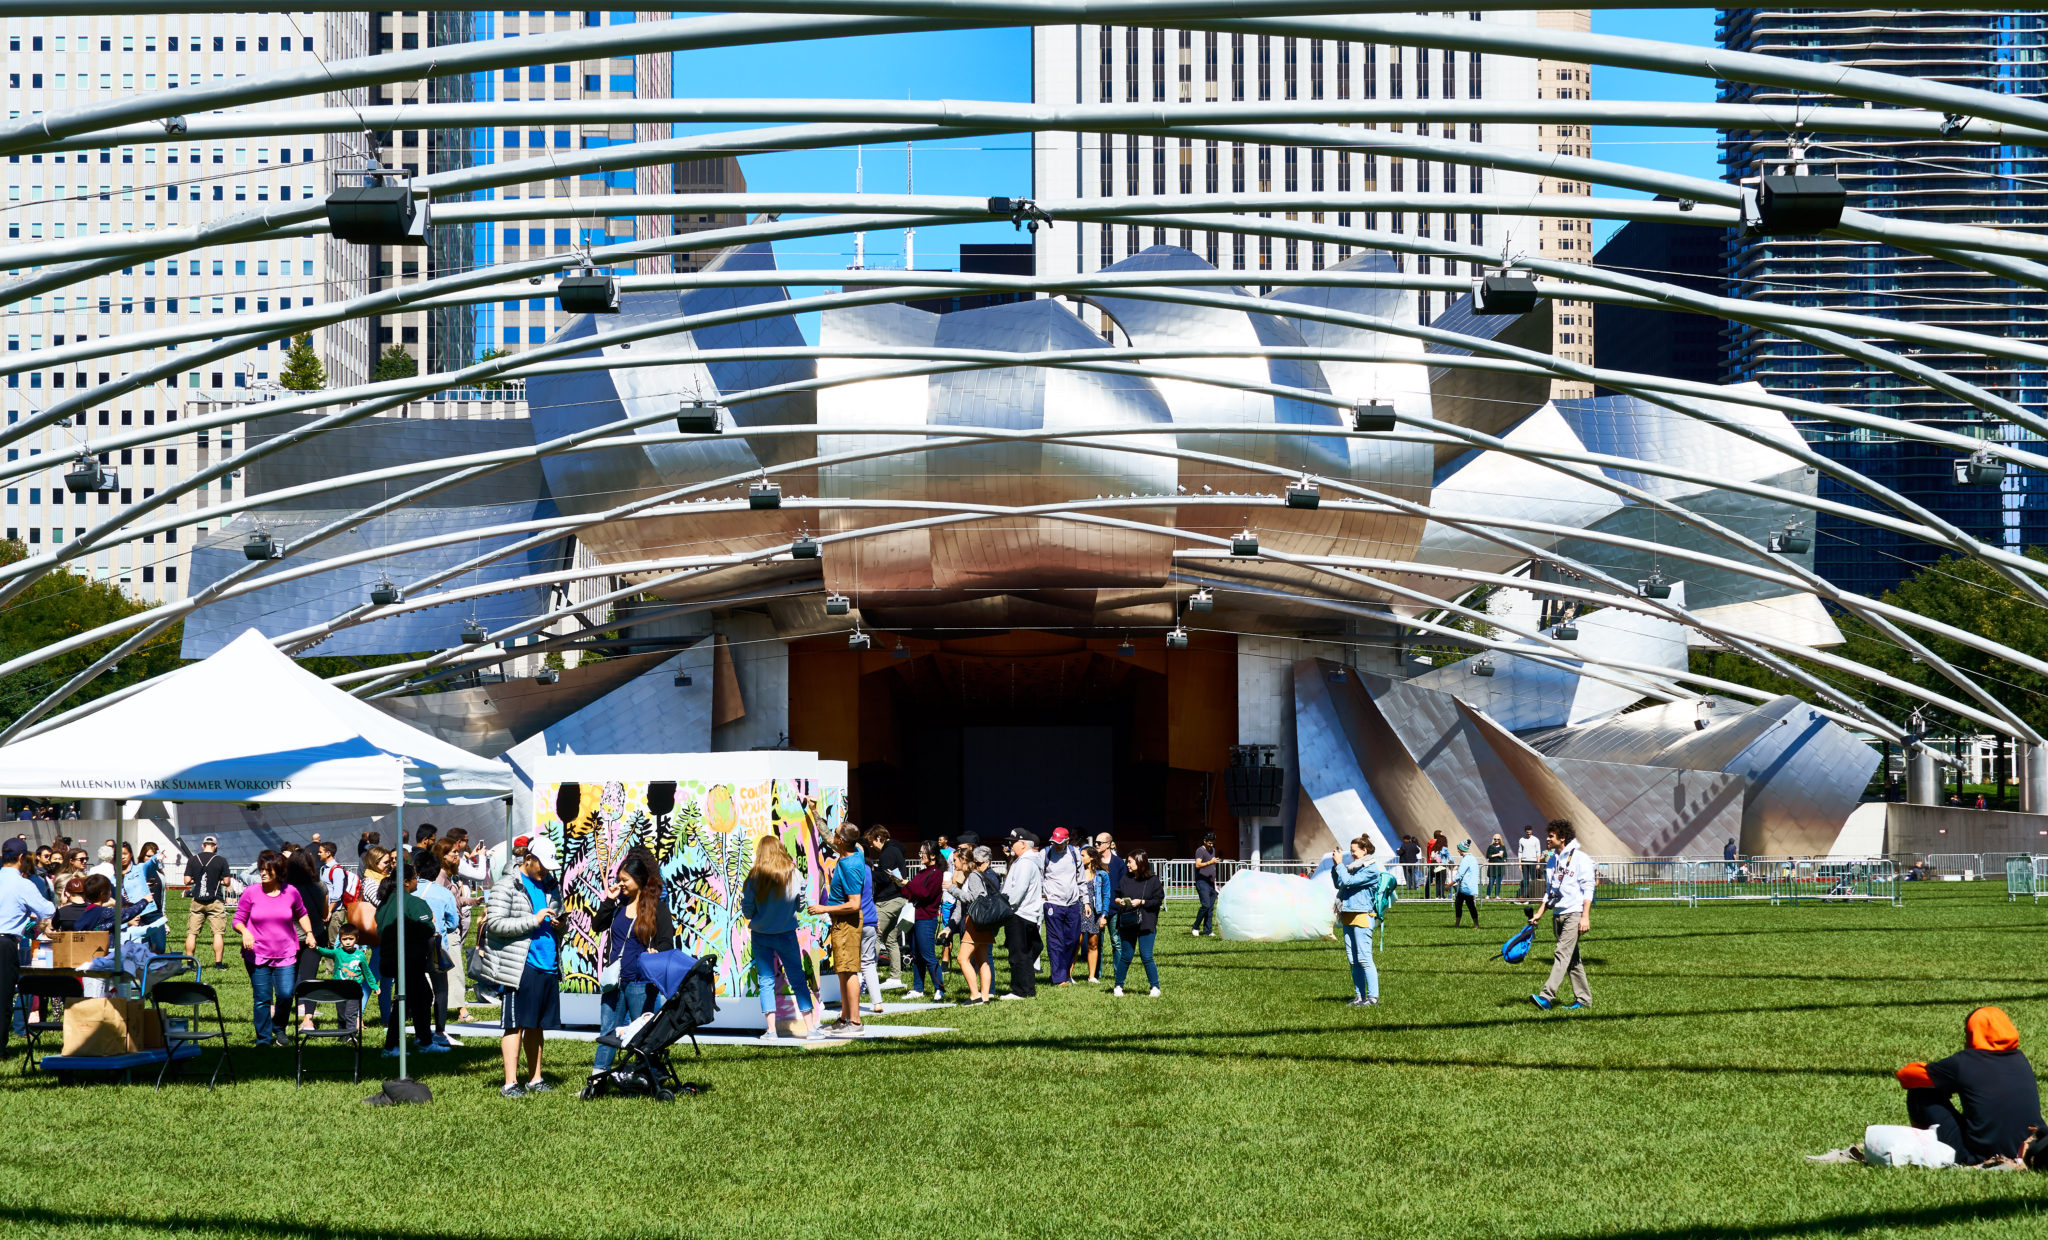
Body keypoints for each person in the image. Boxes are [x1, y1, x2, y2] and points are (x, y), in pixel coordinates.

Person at [1895, 1007, 2045, 1165]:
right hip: (2030, 1148)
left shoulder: (1964, 1063)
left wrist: (1941, 1082)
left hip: (1981, 1156)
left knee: (1920, 1092)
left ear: (1973, 1033)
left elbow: (1907, 1076)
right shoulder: (2020, 1059)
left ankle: (1928, 1149)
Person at [480, 835, 564, 1096]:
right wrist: (533, 920)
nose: (546, 871)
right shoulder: (507, 885)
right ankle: (510, 1082)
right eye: (543, 865)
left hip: (547, 964)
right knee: (514, 1023)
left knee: (536, 1025)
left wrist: (561, 924)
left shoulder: (550, 885)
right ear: (528, 859)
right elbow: (494, 923)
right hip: (520, 965)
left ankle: (535, 1079)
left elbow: (557, 916)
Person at [593, 850, 676, 1062]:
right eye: (619, 879)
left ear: (639, 880)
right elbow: (597, 925)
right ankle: (599, 1075)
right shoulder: (618, 905)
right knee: (607, 1034)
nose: (620, 884)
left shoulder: (657, 908)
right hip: (615, 981)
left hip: (641, 983)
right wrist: (609, 900)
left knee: (644, 1035)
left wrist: (657, 952)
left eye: (625, 880)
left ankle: (644, 1074)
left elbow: (667, 941)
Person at [742, 836, 821, 1042]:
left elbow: (747, 910)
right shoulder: (794, 873)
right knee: (797, 978)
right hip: (786, 933)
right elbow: (801, 905)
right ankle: (811, 1029)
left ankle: (771, 1031)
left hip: (761, 934)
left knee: (766, 981)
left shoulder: (754, 877)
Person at [233, 851, 313, 1047]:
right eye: (261, 869)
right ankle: (264, 1038)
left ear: (279, 871)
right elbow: (238, 920)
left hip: (286, 953)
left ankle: (279, 1028)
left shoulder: (291, 892)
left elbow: (302, 913)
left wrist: (309, 933)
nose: (263, 873)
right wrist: (245, 932)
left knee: (286, 994)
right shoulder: (251, 892)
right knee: (262, 998)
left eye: (268, 870)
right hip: (257, 954)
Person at [373, 855, 445, 1060]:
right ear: (405, 882)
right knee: (405, 1000)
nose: (416, 882)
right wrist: (429, 923)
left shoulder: (384, 903)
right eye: (414, 878)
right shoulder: (413, 903)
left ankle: (423, 1039)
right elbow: (427, 928)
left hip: (390, 959)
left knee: (420, 996)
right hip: (409, 960)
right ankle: (393, 1045)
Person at [1527, 819, 1596, 1012]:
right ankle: (1584, 999)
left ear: (1562, 838)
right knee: (1572, 958)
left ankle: (1546, 997)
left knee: (1561, 953)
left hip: (1574, 913)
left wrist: (1585, 916)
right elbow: (1550, 891)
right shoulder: (1552, 861)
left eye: (1551, 836)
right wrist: (1540, 913)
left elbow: (1588, 888)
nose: (1547, 839)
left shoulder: (1580, 858)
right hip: (1558, 914)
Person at [809, 823, 871, 1033]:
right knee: (842, 971)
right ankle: (844, 1018)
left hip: (848, 923)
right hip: (841, 922)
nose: (832, 837)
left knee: (849, 970)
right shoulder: (856, 851)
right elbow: (829, 838)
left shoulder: (849, 865)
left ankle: (855, 1022)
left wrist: (823, 908)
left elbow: (854, 904)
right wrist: (815, 813)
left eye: (836, 834)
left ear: (842, 841)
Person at [1, 839, 55, 1053]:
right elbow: (47, 910)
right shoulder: (23, 884)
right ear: (22, 858)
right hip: (5, 943)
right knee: (3, 997)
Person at [411, 851, 463, 1048]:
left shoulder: (409, 891)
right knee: (441, 989)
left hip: (413, 946)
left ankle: (419, 1032)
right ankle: (440, 1030)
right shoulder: (444, 893)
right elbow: (453, 922)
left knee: (416, 990)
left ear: (416, 869)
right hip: (437, 945)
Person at [1329, 834, 1385, 1006]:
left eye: (1354, 851)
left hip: (1362, 915)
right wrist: (1336, 867)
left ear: (1364, 850)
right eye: (1351, 851)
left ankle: (1372, 997)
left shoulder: (1371, 869)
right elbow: (1339, 884)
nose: (1351, 854)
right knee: (1353, 960)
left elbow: (1348, 881)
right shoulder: (1353, 867)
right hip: (1348, 914)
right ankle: (1359, 996)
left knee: (1364, 958)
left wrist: (1340, 865)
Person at [282, 848, 331, 1033]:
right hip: (315, 937)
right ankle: (308, 1019)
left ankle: (282, 1018)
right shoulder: (320, 886)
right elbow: (325, 914)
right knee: (310, 978)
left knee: (287, 978)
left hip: (289, 938)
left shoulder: (285, 888)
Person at [1110, 849, 1165, 997]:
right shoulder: (1125, 879)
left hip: (1146, 923)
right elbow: (1117, 895)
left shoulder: (1153, 880)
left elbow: (1157, 901)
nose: (1127, 865)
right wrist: (1119, 901)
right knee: (1126, 956)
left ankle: (1155, 987)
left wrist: (1141, 902)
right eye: (1127, 862)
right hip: (1128, 922)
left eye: (1130, 862)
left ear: (1140, 862)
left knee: (1146, 956)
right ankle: (1118, 986)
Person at [948, 845, 998, 1004]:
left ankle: (975, 995)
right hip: (981, 923)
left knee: (962, 959)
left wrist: (953, 890)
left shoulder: (974, 876)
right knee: (982, 960)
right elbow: (962, 905)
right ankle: (985, 997)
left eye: (955, 860)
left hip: (975, 922)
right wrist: (950, 927)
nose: (953, 863)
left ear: (963, 860)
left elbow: (976, 898)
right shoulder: (971, 875)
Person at [1000, 829, 1045, 1000]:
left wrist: (1006, 907)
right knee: (1026, 951)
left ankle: (1020, 990)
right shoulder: (1027, 861)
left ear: (1024, 844)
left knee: (1018, 954)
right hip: (1027, 913)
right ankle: (1027, 988)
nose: (1010, 845)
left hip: (1019, 913)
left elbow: (1019, 890)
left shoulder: (1025, 863)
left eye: (1013, 842)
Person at [900, 842, 947, 1002]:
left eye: (923, 853)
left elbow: (925, 894)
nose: (920, 855)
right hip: (914, 917)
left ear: (932, 855)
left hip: (927, 919)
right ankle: (918, 988)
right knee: (916, 955)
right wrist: (900, 884)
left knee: (928, 955)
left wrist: (908, 884)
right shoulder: (921, 873)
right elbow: (911, 893)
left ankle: (939, 988)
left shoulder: (936, 874)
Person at [1040, 827, 1086, 985]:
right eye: (1054, 842)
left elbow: (1081, 878)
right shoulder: (1045, 853)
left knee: (1073, 940)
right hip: (1053, 903)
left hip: (1073, 903)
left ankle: (1064, 972)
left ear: (1067, 841)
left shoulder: (1075, 853)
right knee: (1055, 941)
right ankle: (1059, 978)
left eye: (1060, 843)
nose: (1057, 845)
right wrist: (1043, 899)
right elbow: (1039, 878)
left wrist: (1086, 901)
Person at [314, 923, 378, 1034]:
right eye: (344, 939)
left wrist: (374, 986)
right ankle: (342, 1035)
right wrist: (316, 948)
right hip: (339, 989)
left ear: (356, 939)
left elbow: (367, 972)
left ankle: (351, 1035)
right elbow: (326, 952)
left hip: (354, 990)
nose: (348, 942)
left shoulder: (360, 955)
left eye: (351, 939)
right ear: (340, 940)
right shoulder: (338, 952)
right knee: (341, 1014)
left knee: (350, 1014)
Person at [184, 835, 234, 966]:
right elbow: (227, 882)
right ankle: (218, 964)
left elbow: (186, 881)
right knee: (217, 933)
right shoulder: (221, 860)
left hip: (197, 900)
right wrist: (217, 881)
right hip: (215, 900)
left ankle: (189, 963)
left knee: (192, 933)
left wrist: (197, 880)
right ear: (215, 847)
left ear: (203, 845)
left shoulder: (193, 859)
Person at [119, 842, 166, 956]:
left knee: (159, 947)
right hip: (132, 914)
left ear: (130, 855)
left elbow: (150, 864)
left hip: (151, 912)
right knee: (139, 948)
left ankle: (153, 964)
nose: (122, 857)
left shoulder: (140, 868)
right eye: (119, 854)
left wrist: (157, 857)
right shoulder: (115, 876)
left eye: (125, 853)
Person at [1094, 833, 1125, 963]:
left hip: (1114, 908)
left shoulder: (1118, 863)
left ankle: (1119, 972)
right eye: (1095, 843)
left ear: (1108, 844)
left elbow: (1123, 884)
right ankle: (1096, 972)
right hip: (1097, 908)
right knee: (1096, 943)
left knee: (1116, 941)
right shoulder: (1093, 861)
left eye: (1099, 843)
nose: (1096, 845)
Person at [317, 840, 354, 946]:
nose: (318, 854)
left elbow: (337, 894)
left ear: (328, 853)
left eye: (320, 852)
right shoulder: (323, 868)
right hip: (327, 910)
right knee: (328, 941)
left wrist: (329, 910)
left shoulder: (336, 870)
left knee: (334, 943)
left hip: (335, 911)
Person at [1082, 846, 1110, 984]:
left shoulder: (1102, 875)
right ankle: (1068, 975)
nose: (1080, 858)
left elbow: (1106, 896)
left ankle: (1092, 976)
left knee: (1093, 944)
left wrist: (1104, 915)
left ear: (1092, 857)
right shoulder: (1077, 873)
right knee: (1076, 942)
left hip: (1095, 911)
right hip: (1079, 910)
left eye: (1083, 855)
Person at [1191, 831, 1219, 937]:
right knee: (1205, 905)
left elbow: (1213, 868)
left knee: (1210, 908)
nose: (1211, 845)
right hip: (1202, 882)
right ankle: (1195, 927)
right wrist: (1210, 862)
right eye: (1209, 843)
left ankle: (1208, 930)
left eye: (1212, 843)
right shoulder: (1200, 850)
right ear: (1204, 841)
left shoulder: (1213, 850)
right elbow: (1197, 865)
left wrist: (1215, 884)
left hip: (1211, 883)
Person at [1452, 841, 1481, 927]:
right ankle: (1475, 924)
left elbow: (1459, 875)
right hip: (1471, 886)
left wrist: (1449, 885)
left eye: (1458, 849)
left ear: (1461, 849)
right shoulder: (1473, 858)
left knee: (1460, 905)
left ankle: (1459, 924)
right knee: (1469, 905)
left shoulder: (1465, 860)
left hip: (1465, 887)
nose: (1458, 851)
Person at [1516, 825, 1542, 898]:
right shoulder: (1521, 840)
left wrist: (1538, 863)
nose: (1528, 834)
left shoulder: (1536, 840)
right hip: (1524, 861)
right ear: (1525, 832)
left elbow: (1538, 852)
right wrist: (1520, 863)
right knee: (1525, 879)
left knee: (1533, 879)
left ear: (1532, 831)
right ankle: (1525, 894)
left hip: (1533, 861)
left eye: (1530, 833)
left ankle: (1535, 895)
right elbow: (1520, 852)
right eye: (1527, 833)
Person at [1484, 833, 1508, 899]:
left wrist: (1504, 860)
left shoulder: (1503, 847)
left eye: (1498, 839)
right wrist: (1497, 854)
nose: (1496, 840)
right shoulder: (1491, 847)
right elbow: (1488, 856)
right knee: (1491, 882)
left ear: (1500, 839)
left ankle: (1497, 895)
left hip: (1500, 867)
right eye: (1495, 839)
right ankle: (1488, 895)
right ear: (1493, 839)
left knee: (1498, 883)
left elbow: (1505, 856)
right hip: (1492, 867)